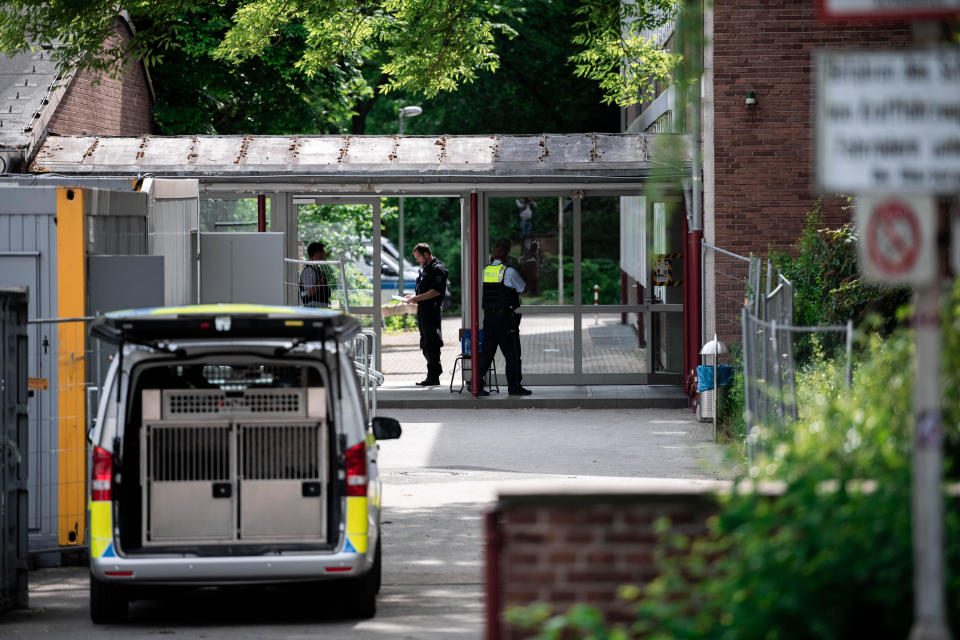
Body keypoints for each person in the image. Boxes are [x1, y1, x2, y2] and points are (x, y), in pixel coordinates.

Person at [476, 239, 531, 396]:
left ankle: (476, 385)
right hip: (505, 320)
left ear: (494, 255)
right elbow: (522, 288)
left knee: (486, 353)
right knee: (512, 354)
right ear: (507, 255)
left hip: (489, 318)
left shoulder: (485, 271)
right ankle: (514, 387)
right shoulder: (509, 272)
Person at [404, 243, 448, 386]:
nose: (417, 260)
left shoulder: (437, 269)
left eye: (418, 257)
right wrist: (412, 297)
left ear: (426, 254)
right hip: (423, 311)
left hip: (432, 311)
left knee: (431, 343)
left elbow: (436, 291)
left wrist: (417, 298)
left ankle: (434, 376)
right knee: (425, 344)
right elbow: (423, 290)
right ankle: (433, 374)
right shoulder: (425, 269)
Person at [300, 241, 331, 308]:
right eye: (323, 252)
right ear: (317, 253)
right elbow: (307, 293)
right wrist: (320, 284)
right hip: (312, 311)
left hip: (320, 309)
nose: (324, 255)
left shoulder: (317, 269)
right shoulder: (308, 271)